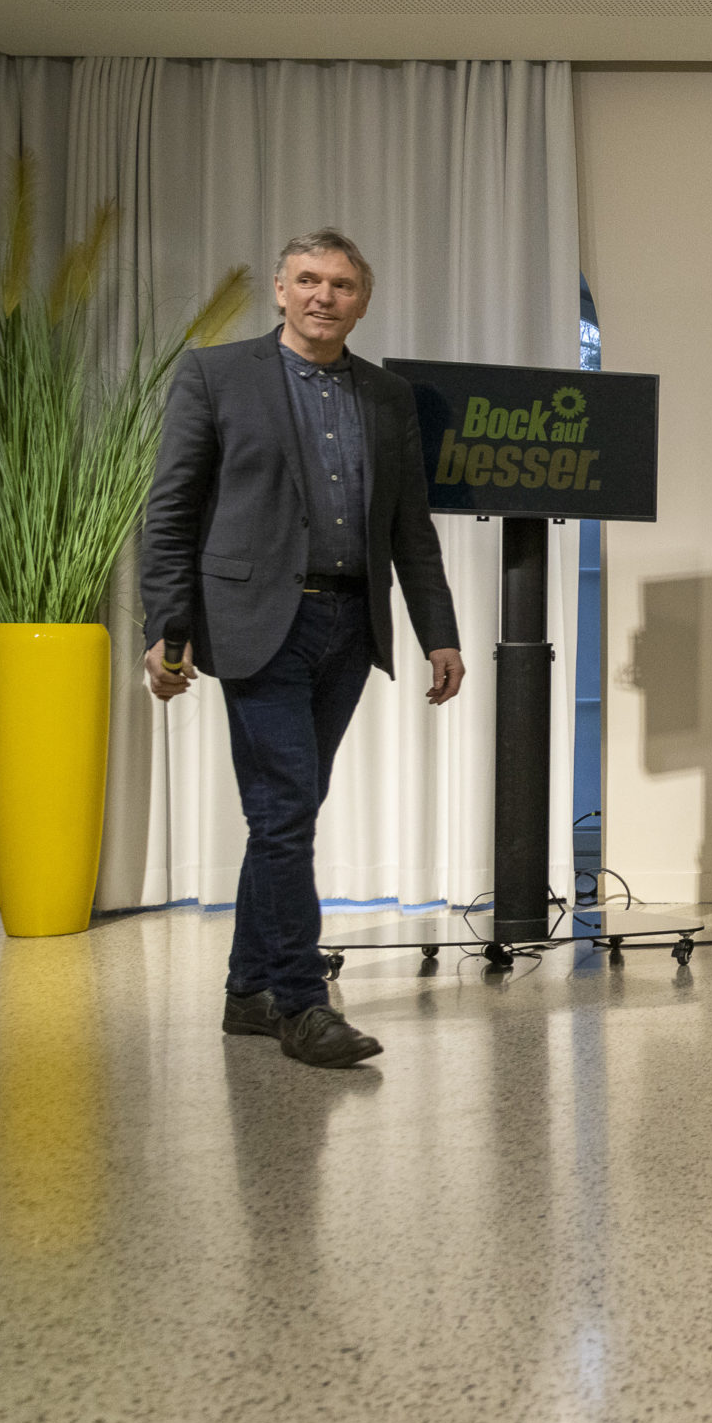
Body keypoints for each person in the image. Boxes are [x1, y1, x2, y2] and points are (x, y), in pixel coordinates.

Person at [141, 228, 465, 1069]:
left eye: (343, 285)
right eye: (310, 280)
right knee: (284, 810)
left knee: (287, 812)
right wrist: (167, 630)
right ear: (281, 290)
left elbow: (411, 526)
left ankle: (247, 991)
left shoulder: (387, 396)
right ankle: (301, 1003)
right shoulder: (216, 375)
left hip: (349, 628)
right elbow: (169, 512)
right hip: (255, 625)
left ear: (363, 301)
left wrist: (439, 632)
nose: (325, 295)